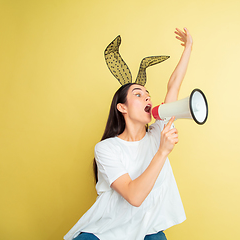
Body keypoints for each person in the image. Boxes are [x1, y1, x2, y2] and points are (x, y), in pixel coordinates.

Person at [64, 28, 193, 240]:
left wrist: (188, 47)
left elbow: (174, 86)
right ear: (122, 108)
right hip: (105, 231)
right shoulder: (106, 148)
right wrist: (162, 152)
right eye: (138, 94)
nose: (147, 98)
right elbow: (134, 196)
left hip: (146, 230)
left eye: (148, 95)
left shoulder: (158, 131)